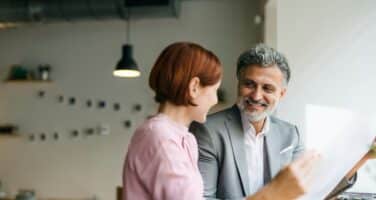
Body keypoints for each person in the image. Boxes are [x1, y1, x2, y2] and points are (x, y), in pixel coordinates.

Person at [123, 42, 320, 200]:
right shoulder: (160, 138)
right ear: (194, 87)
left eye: (267, 88)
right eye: (215, 90)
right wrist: (273, 194)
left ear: (281, 93)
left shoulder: (184, 138)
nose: (216, 100)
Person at [189, 44, 376, 200]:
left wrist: (364, 156)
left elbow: (312, 193)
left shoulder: (290, 134)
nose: (256, 95)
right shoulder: (208, 131)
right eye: (249, 84)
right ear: (238, 83)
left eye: (268, 88)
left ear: (282, 94)